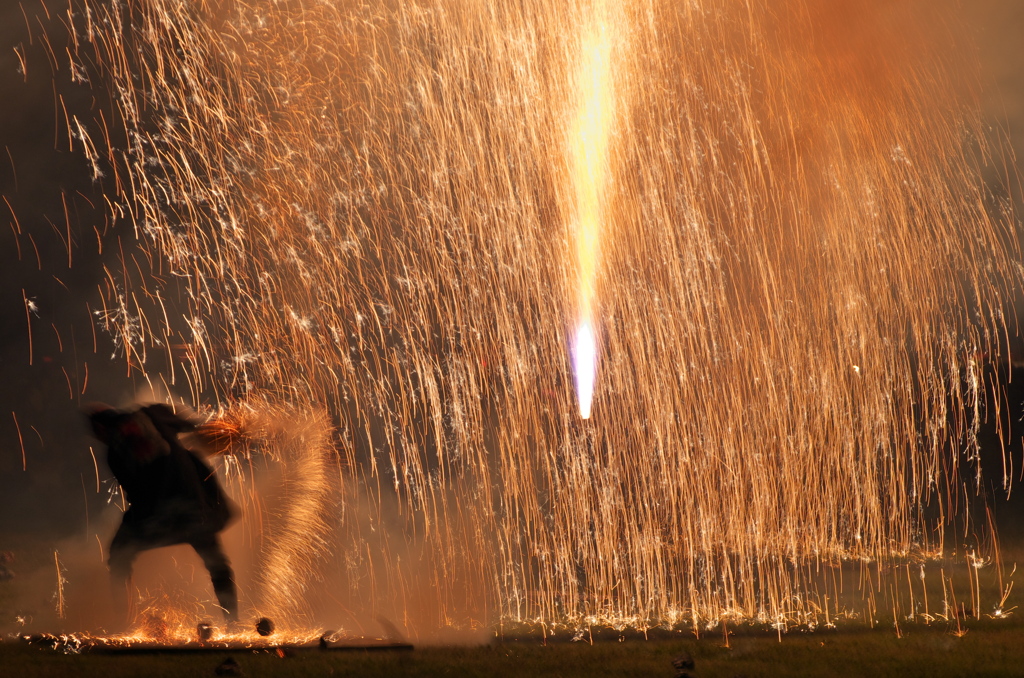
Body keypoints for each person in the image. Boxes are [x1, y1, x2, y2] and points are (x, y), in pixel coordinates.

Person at [85, 402, 239, 626]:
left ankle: (122, 624)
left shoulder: (114, 456)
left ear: (100, 430)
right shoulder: (149, 414)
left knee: (119, 556)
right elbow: (194, 427)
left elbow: (137, 494)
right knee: (217, 564)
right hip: (194, 508)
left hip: (158, 517)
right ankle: (233, 623)